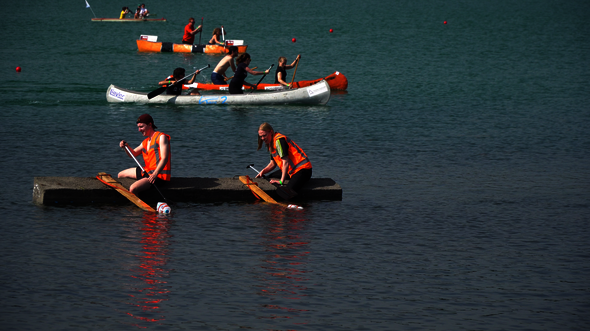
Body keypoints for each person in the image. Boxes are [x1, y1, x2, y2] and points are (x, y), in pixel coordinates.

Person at [256, 122, 312, 200]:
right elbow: (272, 164)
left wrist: (281, 181)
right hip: (291, 170)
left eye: (264, 135)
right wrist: (263, 171)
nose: (262, 138)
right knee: (270, 177)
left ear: (271, 132)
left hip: (303, 170)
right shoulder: (271, 144)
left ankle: (296, 207)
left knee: (286, 192)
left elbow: (285, 162)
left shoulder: (279, 141)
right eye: (261, 136)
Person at [118, 114, 171, 194]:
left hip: (158, 176)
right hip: (147, 171)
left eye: (141, 127)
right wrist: (126, 147)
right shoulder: (145, 142)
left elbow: (164, 158)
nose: (139, 130)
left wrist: (155, 174)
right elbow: (133, 154)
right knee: (120, 175)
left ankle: (136, 205)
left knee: (132, 189)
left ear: (150, 125)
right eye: (138, 127)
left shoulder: (161, 137)